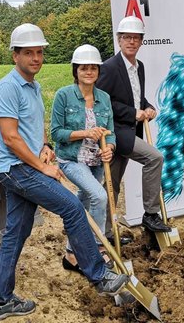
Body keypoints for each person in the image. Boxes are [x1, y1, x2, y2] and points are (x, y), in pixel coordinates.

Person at [0, 24, 129, 321]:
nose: (36, 58)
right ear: (15, 56)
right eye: (29, 53)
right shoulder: (8, 88)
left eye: (40, 52)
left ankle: (0, 301)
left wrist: (44, 145)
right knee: (73, 206)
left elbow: (32, 129)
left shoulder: (34, 87)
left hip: (27, 165)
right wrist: (43, 167)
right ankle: (98, 274)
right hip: (16, 169)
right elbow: (10, 137)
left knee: (16, 232)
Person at [96, 16, 172, 241]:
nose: (131, 41)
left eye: (136, 38)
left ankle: (108, 232)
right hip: (116, 132)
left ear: (141, 42)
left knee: (113, 183)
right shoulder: (109, 68)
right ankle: (150, 213)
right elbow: (101, 101)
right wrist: (132, 113)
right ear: (119, 40)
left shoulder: (139, 67)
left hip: (130, 131)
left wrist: (147, 107)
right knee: (154, 158)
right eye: (126, 37)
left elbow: (135, 97)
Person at [50, 44, 115, 272]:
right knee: (99, 196)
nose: (89, 72)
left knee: (84, 203)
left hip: (96, 162)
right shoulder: (64, 96)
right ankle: (97, 248)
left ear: (98, 71)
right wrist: (86, 133)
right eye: (83, 68)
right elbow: (56, 133)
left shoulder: (104, 98)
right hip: (72, 160)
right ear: (75, 70)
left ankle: (71, 253)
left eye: (93, 68)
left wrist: (110, 148)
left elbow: (110, 132)